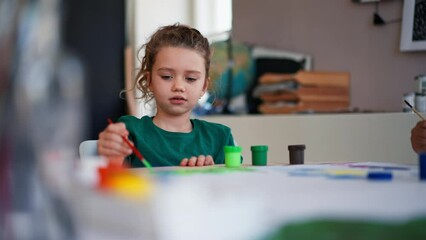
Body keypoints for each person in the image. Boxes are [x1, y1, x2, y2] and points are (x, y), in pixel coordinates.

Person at [97, 23, 237, 167]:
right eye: (166, 76)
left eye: (190, 79)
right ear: (149, 80)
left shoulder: (221, 137)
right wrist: (112, 155)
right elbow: (112, 182)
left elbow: (236, 186)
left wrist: (211, 175)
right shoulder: (129, 131)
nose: (178, 87)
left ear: (204, 87)